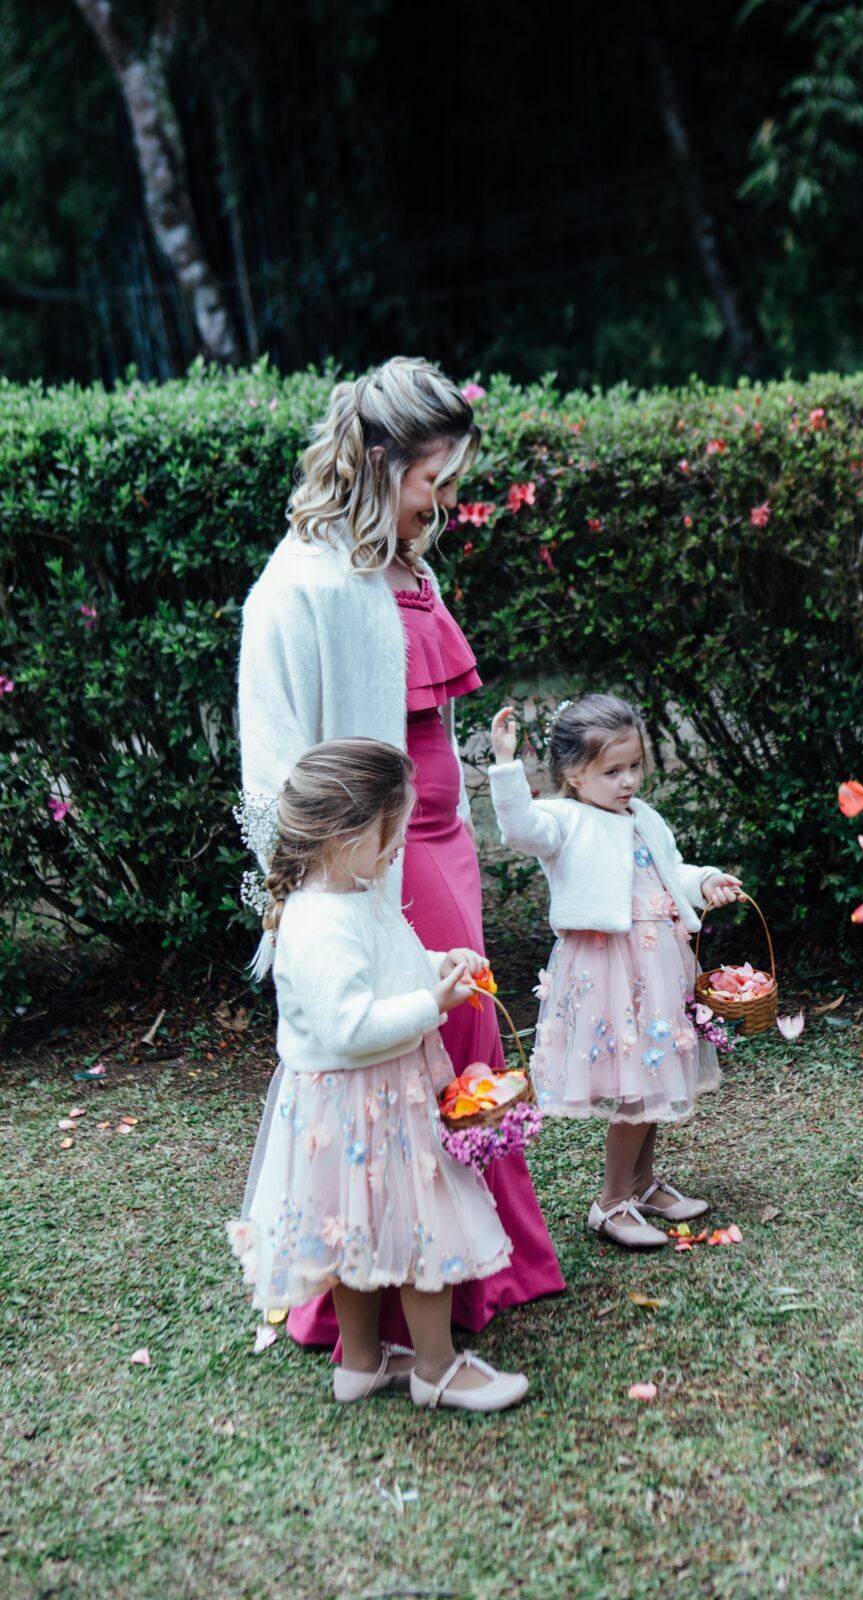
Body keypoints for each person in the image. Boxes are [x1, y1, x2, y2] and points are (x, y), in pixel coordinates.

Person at [236, 357, 563, 1356]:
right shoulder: (303, 585)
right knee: (409, 1051)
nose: (446, 501)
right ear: (380, 460)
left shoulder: (403, 562)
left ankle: (480, 1265)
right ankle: (384, 1292)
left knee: (467, 1044)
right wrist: (310, 887)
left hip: (441, 835)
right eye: (435, 480)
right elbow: (276, 763)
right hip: (375, 854)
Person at [229, 738, 529, 1412]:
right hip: (369, 1103)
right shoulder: (318, 923)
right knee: (425, 1227)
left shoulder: (352, 892)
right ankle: (436, 1369)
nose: (401, 846)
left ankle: (361, 1363)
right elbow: (349, 1027)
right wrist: (435, 1004)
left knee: (356, 1235)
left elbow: (386, 961)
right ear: (344, 833)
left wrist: (434, 963)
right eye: (391, 831)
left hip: (362, 1104)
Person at [487, 695, 743, 1250]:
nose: (628, 780)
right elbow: (519, 830)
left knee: (652, 1079)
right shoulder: (563, 820)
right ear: (574, 775)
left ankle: (642, 1184)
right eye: (612, 771)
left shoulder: (643, 816)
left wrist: (706, 881)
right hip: (608, 969)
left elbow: (672, 869)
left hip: (658, 966)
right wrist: (508, 766)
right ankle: (609, 1204)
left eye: (634, 766)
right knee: (634, 1088)